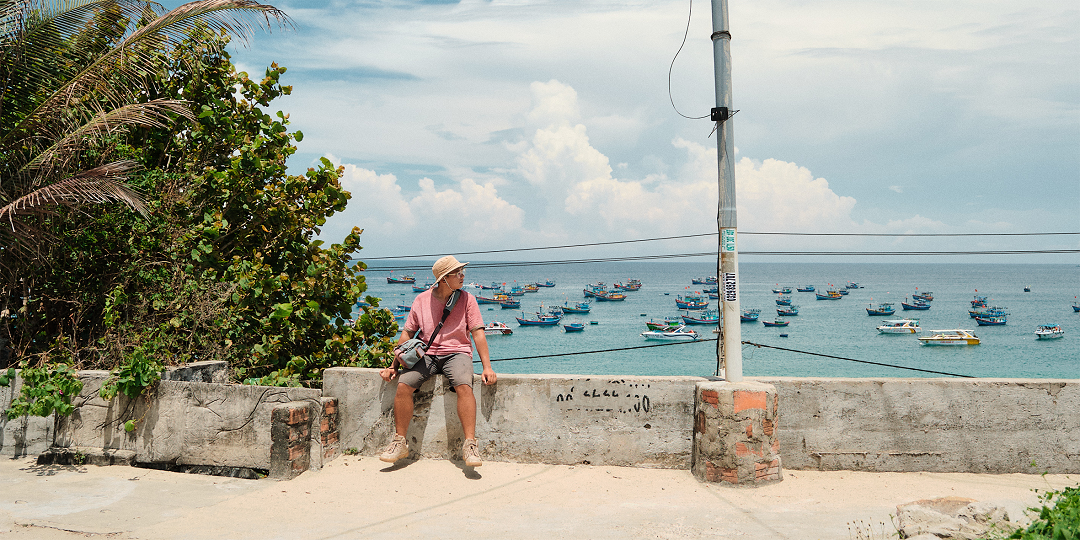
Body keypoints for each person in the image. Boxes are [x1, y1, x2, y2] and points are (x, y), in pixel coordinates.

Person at [378, 256, 497, 467]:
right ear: (444, 279)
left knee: (464, 386)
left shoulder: (468, 299)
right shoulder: (421, 300)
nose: (463, 276)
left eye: (462, 272)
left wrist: (487, 367)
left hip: (457, 352)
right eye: (458, 273)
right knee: (404, 386)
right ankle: (399, 442)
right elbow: (407, 334)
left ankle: (470, 445)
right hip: (427, 354)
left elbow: (478, 334)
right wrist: (393, 366)